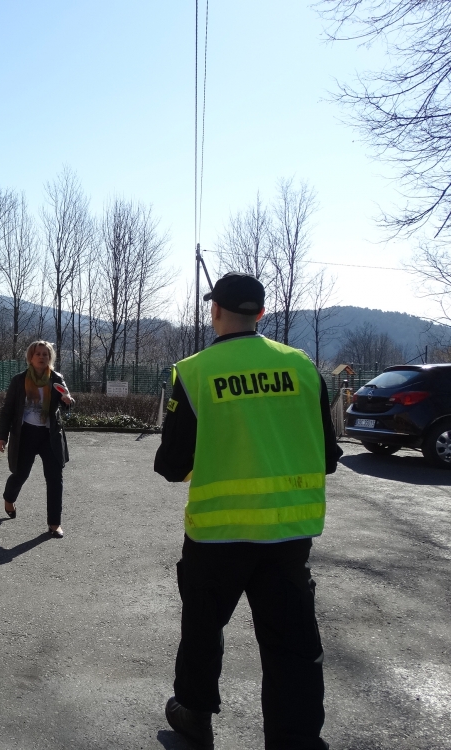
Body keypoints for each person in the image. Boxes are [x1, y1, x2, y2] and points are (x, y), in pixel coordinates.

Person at [154, 272, 342, 750]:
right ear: (260, 313)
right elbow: (327, 457)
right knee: (292, 646)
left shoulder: (194, 372)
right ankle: (296, 740)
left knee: (203, 629)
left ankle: (195, 715)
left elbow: (172, 466)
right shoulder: (302, 367)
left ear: (214, 310)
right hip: (288, 533)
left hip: (217, 535)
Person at [0, 341, 73, 538]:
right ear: (30, 357)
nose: (41, 357)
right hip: (26, 434)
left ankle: (54, 524)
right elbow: (7, 410)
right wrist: (2, 436)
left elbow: (66, 399)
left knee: (55, 479)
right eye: (37, 354)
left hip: (50, 436)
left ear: (50, 358)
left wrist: (67, 401)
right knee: (20, 474)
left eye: (45, 354)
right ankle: (9, 498)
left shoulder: (56, 379)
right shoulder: (19, 380)